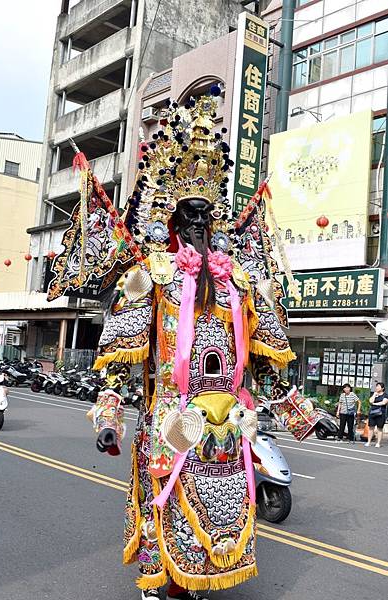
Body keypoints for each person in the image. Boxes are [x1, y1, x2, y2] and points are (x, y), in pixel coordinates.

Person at [49, 94, 324, 600]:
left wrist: (296, 409)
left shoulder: (238, 279)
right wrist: (109, 415)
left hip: (228, 421)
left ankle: (199, 577)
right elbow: (117, 358)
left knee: (223, 503)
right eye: (189, 214)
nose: (199, 223)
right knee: (166, 497)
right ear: (173, 219)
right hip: (172, 417)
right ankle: (160, 582)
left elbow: (266, 357)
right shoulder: (151, 275)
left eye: (206, 214)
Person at [365, 382, 388, 448]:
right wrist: (375, 394)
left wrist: (375, 404)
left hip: (381, 414)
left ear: (382, 388)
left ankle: (378, 443)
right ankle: (368, 442)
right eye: (376, 386)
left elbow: (384, 403)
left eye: (378, 386)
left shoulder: (385, 395)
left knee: (379, 428)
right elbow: (370, 401)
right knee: (371, 428)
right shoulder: (374, 394)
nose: (377, 387)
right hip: (372, 413)